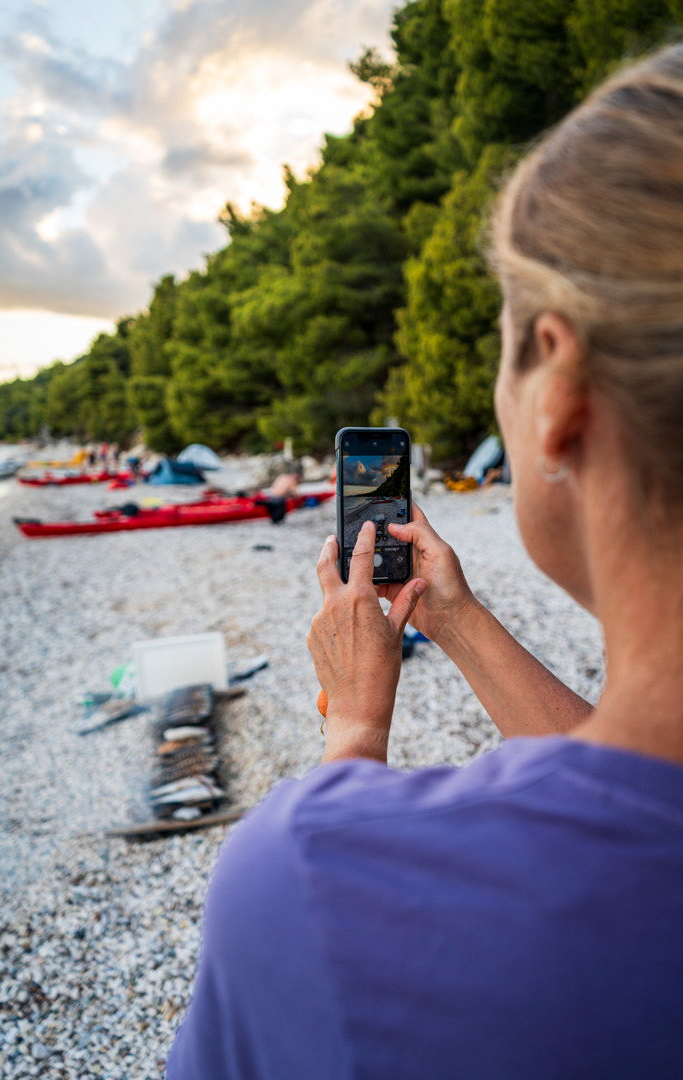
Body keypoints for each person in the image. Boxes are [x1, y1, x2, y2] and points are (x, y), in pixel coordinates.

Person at [167, 45, 683, 1079]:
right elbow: (638, 788)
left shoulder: (316, 874)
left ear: (557, 391)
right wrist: (452, 617)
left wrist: (355, 730)